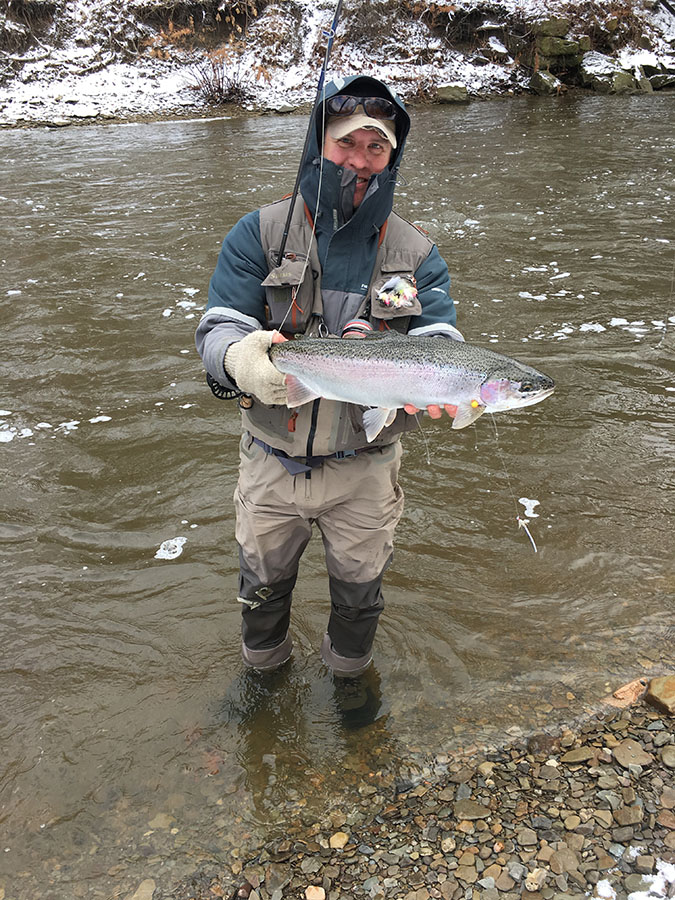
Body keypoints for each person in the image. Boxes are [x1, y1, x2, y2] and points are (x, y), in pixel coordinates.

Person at [195, 75, 463, 680]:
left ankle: (350, 685)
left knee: (359, 600)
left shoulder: (417, 253)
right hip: (271, 458)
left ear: (392, 157)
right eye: (347, 143)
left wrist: (428, 375)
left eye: (377, 148)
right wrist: (240, 361)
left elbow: (439, 339)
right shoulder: (259, 234)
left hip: (366, 470)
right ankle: (263, 681)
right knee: (260, 600)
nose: (361, 160)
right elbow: (217, 330)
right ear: (320, 143)